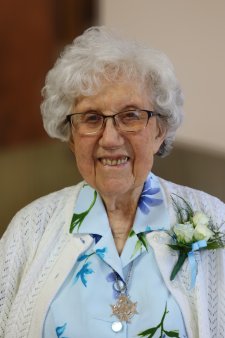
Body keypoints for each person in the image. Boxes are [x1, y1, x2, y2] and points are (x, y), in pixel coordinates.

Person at [0, 26, 224, 338]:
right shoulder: (28, 230)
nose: (110, 138)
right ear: (71, 138)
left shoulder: (216, 220)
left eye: (130, 115)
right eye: (91, 118)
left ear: (160, 131)